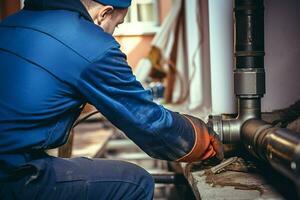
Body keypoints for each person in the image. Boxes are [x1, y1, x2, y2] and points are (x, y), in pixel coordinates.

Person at [0, 0, 223, 199]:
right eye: (117, 25)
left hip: (9, 159)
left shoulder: (13, 23)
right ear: (104, 14)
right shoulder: (90, 44)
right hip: (11, 176)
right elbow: (151, 124)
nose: (113, 34)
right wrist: (200, 138)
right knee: (133, 183)